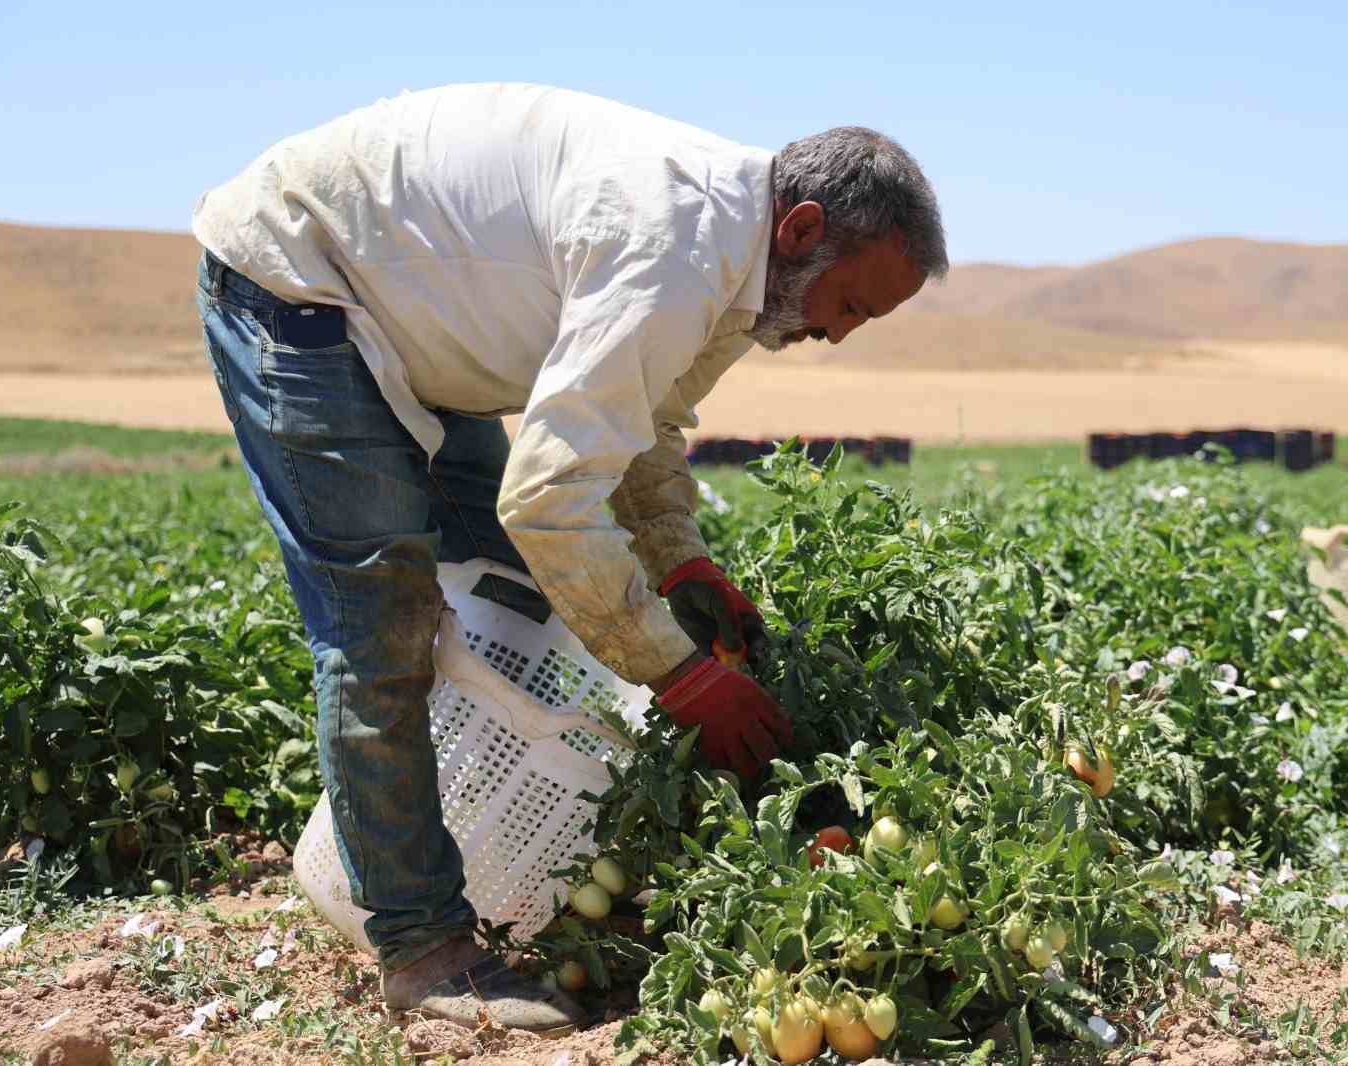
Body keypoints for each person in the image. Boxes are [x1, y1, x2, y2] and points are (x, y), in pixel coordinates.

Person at [192, 82, 946, 1034]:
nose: (836, 333)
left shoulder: (739, 272)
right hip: (300, 287)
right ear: (801, 231)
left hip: (419, 326)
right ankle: (424, 947)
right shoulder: (678, 248)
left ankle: (475, 856)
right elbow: (550, 500)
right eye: (848, 305)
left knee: (524, 597)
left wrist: (678, 561)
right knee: (380, 620)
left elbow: (652, 421)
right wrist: (679, 676)